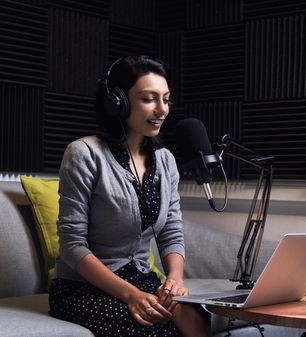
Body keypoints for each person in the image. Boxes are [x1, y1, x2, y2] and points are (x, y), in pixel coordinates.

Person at [49, 55, 211, 337]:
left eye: (166, 99)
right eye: (149, 99)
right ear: (117, 102)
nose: (162, 110)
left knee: (194, 315)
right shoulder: (84, 154)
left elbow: (171, 231)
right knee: (159, 329)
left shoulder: (165, 160)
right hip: (83, 287)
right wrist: (130, 295)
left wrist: (174, 279)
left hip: (140, 280)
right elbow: (72, 246)